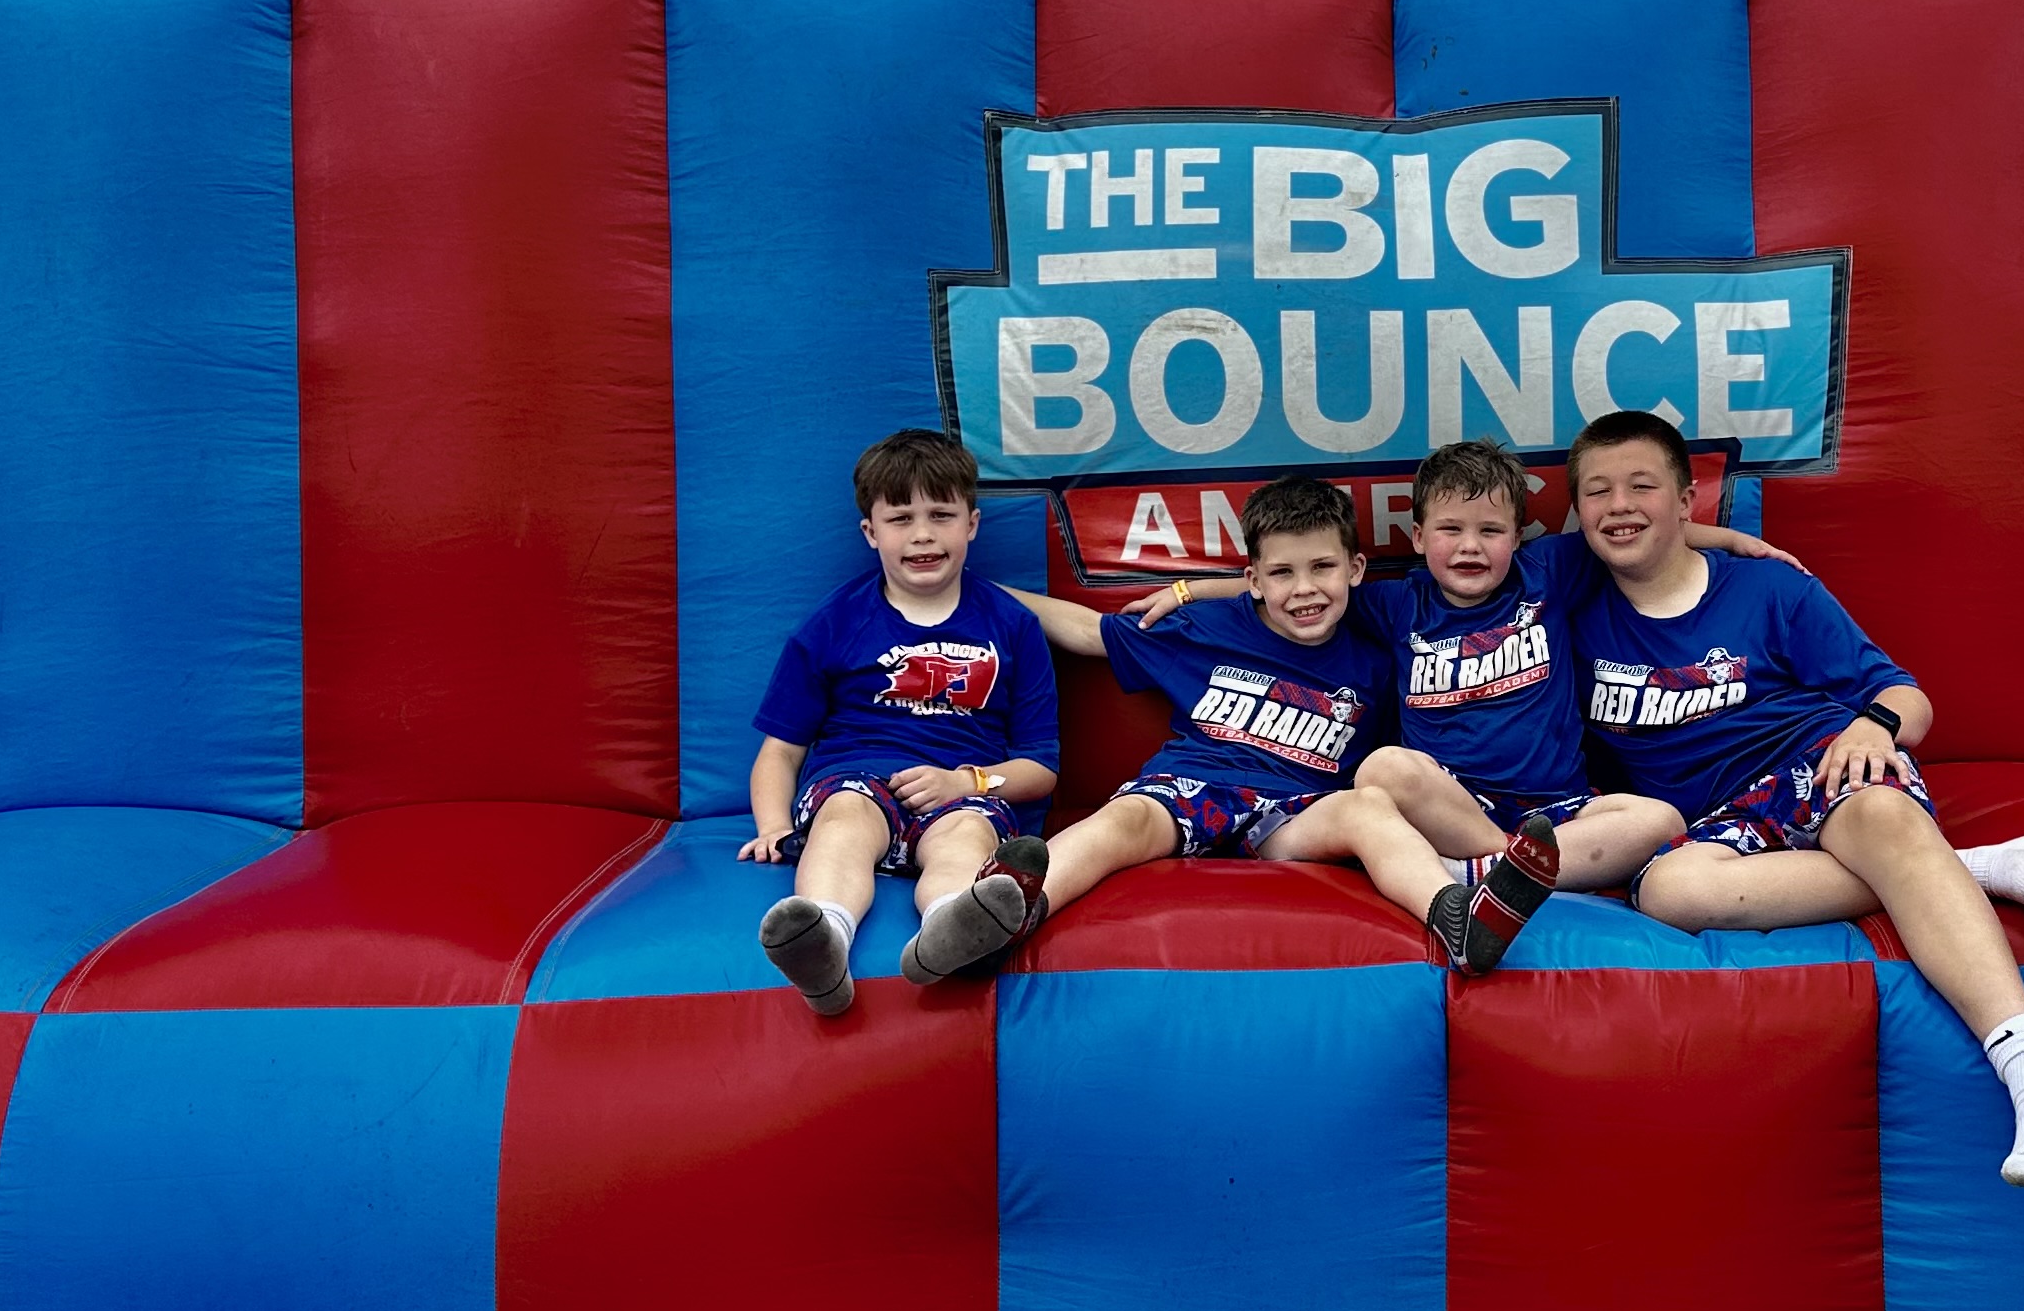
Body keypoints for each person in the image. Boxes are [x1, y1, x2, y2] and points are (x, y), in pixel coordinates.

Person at [1561, 410, 2024, 1186]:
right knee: (1667, 890)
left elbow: (1907, 696)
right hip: (1717, 820)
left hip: (1820, 762)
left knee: (1878, 813)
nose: (1620, 505)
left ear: (1686, 500)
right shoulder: (1568, 605)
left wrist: (1874, 727)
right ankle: (1968, 866)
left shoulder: (1771, 589)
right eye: (1598, 491)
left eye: (1643, 485)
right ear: (1576, 513)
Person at [942, 473, 1563, 980]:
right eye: (1283, 575)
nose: (1304, 591)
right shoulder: (1210, 627)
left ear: (1355, 569)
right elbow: (1083, 631)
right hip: (1194, 788)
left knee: (1368, 808)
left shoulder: (1381, 647)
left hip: (1296, 809)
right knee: (1123, 820)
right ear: (1253, 582)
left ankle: (1457, 919)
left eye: (1322, 568)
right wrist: (969, 586)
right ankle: (1009, 912)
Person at [1129, 439, 1773, 902]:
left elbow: (1635, 535)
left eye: (1491, 530)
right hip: (1449, 805)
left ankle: (1484, 877)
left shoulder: (1550, 571)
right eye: (1451, 529)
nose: (1470, 545)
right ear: (1417, 538)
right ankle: (1515, 869)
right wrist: (1191, 592)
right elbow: (1297, 579)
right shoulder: (1395, 602)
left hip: (1559, 809)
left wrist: (1728, 542)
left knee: (1658, 820)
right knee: (1382, 769)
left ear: (1520, 537)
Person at [742, 428, 1060, 1016]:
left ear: (972, 524)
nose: (922, 534)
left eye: (942, 514)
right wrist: (770, 825)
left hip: (963, 792)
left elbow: (1040, 768)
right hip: (856, 781)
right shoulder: (836, 623)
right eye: (900, 518)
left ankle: (949, 927)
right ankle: (824, 940)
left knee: (967, 836)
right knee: (842, 820)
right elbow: (781, 749)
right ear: (870, 532)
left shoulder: (1013, 626)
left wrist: (969, 782)